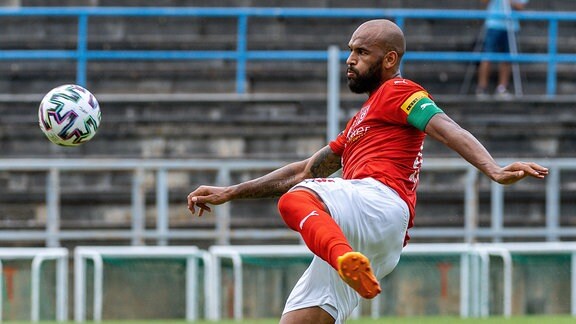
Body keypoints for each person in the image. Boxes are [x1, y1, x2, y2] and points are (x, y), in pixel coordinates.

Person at [187, 19, 548, 324]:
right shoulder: (362, 119)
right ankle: (346, 259)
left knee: (296, 201)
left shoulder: (399, 90)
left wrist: (493, 169)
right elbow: (303, 171)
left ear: (390, 59)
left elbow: (445, 126)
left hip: (378, 204)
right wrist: (230, 192)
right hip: (369, 234)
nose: (350, 60)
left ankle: (343, 257)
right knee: (299, 319)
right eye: (350, 50)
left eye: (361, 52)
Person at [476, 0, 529, 98]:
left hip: (510, 25)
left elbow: (521, 6)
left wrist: (510, 2)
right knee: (487, 56)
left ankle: (502, 88)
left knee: (507, 59)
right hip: (493, 24)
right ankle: (482, 88)